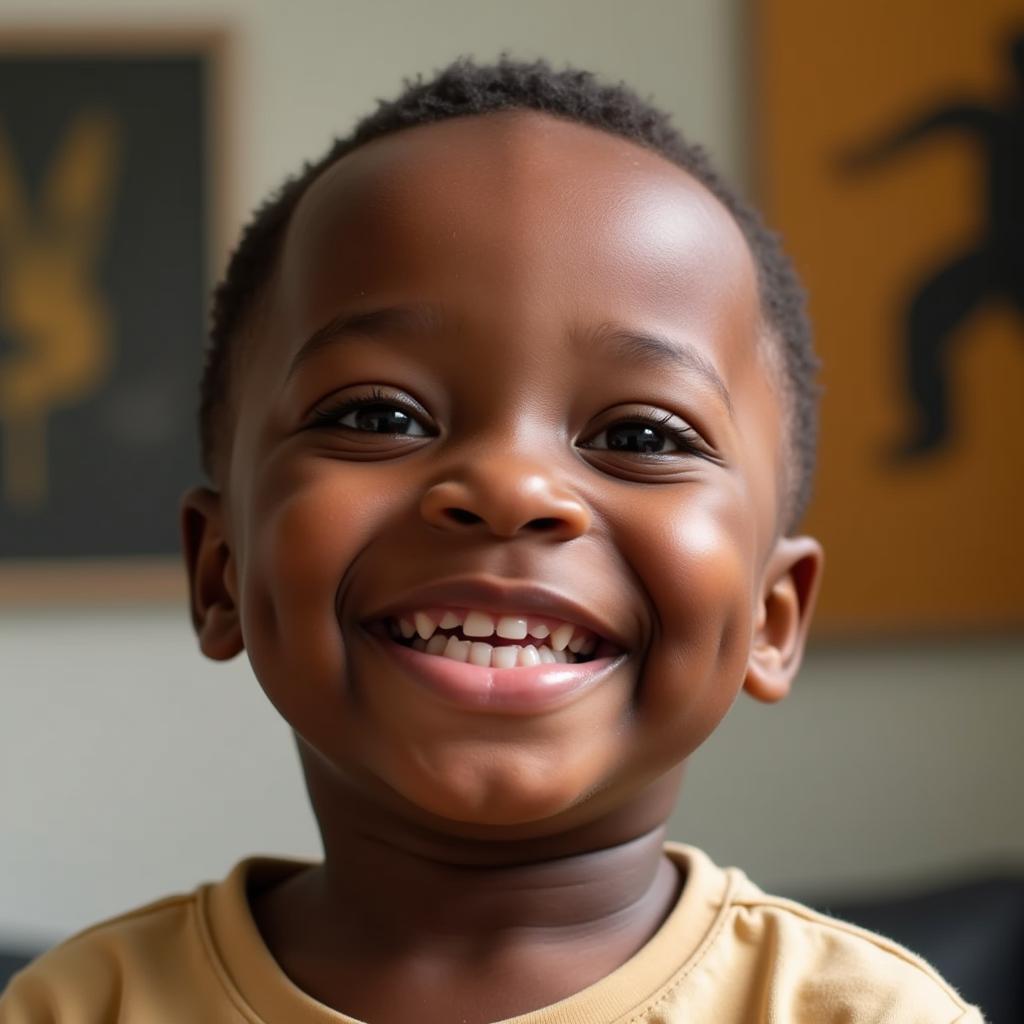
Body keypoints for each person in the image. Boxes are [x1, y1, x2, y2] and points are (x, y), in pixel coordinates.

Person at [0, 58, 983, 1024]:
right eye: (380, 416)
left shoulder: (860, 1014)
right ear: (219, 572)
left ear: (773, 617)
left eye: (640, 437)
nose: (512, 488)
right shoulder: (81, 1006)